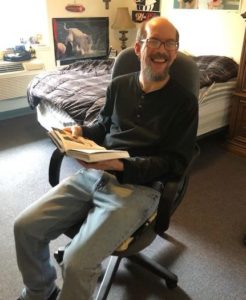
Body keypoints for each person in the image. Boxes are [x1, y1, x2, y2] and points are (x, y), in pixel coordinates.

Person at [14, 16, 198, 300]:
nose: (162, 50)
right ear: (138, 48)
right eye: (154, 41)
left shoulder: (184, 103)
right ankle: (40, 291)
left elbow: (174, 164)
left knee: (77, 261)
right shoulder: (118, 86)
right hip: (93, 175)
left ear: (175, 50)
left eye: (170, 43)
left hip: (139, 189)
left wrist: (121, 165)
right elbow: (102, 126)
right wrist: (80, 131)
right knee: (25, 227)